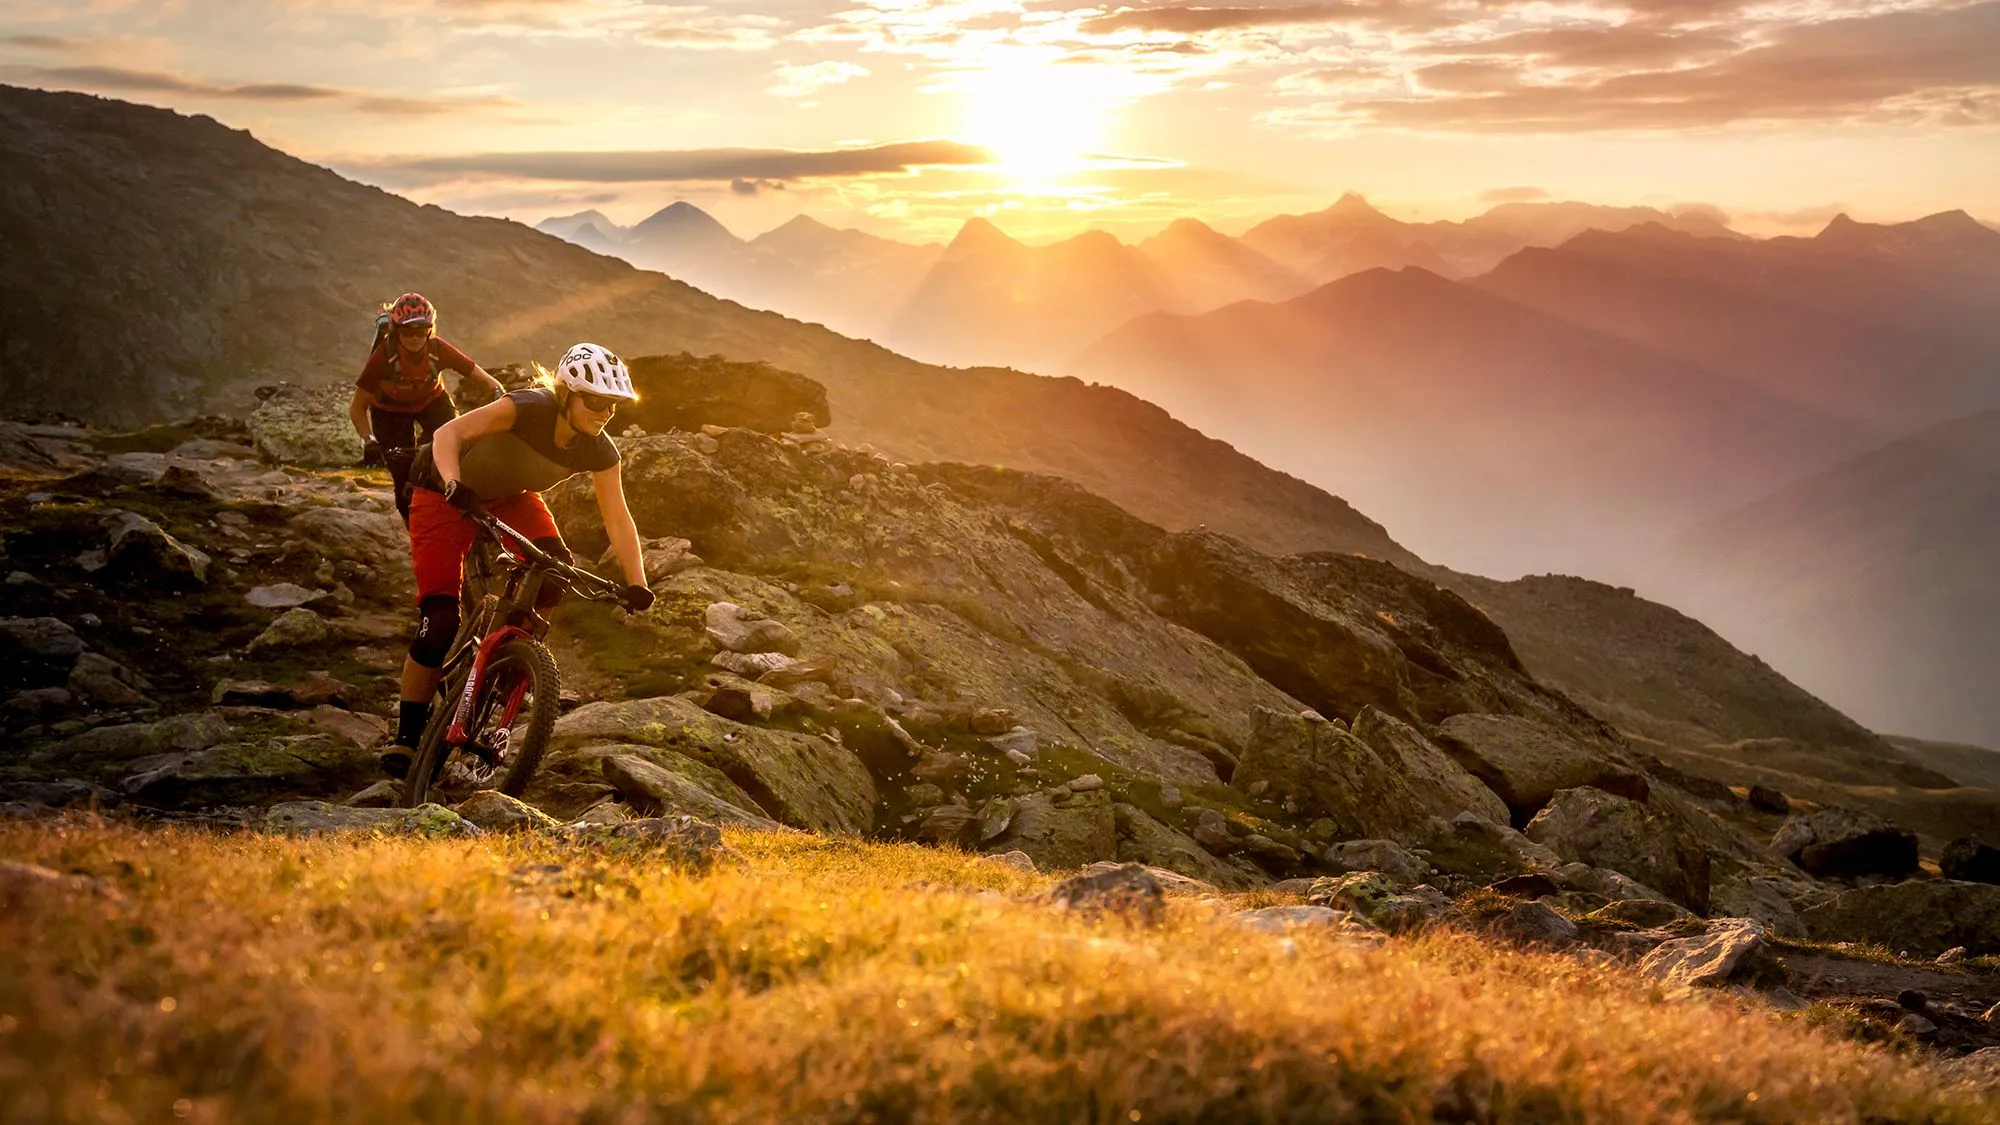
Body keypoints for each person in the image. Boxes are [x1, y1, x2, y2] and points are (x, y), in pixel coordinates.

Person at [379, 342, 654, 779]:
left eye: (613, 406)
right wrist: (453, 483)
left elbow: (618, 516)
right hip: (440, 492)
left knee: (554, 573)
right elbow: (446, 435)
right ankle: (408, 737)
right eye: (597, 401)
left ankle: (511, 656)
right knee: (440, 621)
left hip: (512, 495)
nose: (604, 413)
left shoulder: (599, 450)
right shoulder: (526, 407)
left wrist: (637, 583)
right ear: (566, 394)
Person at [350, 292, 505, 522]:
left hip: (432, 402)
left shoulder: (437, 349)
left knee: (454, 455)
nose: (415, 338)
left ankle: (456, 513)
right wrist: (369, 441)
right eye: (408, 332)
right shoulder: (383, 358)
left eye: (422, 331)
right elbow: (357, 408)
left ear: (430, 329)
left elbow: (481, 376)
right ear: (396, 331)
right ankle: (414, 529)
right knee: (402, 476)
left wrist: (498, 393)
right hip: (388, 412)